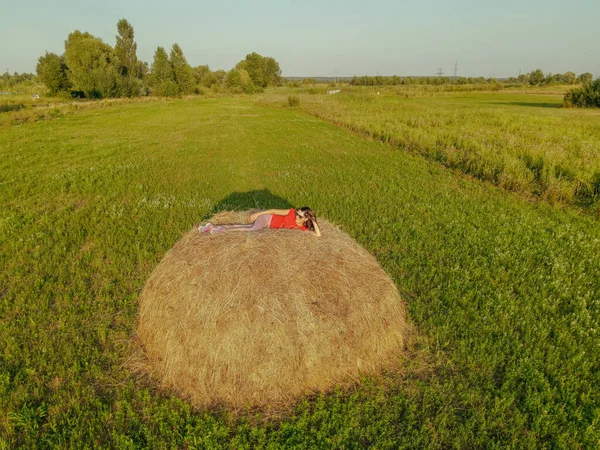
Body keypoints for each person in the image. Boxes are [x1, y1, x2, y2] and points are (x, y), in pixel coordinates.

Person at [199, 207, 321, 237]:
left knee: (246, 226)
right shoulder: (290, 212)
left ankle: (213, 226)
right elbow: (273, 210)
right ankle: (222, 230)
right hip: (267, 218)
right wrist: (258, 214)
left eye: (300, 217)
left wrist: (314, 222)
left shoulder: (302, 229)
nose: (296, 217)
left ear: (306, 219)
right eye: (297, 214)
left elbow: (317, 235)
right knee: (252, 229)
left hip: (267, 224)